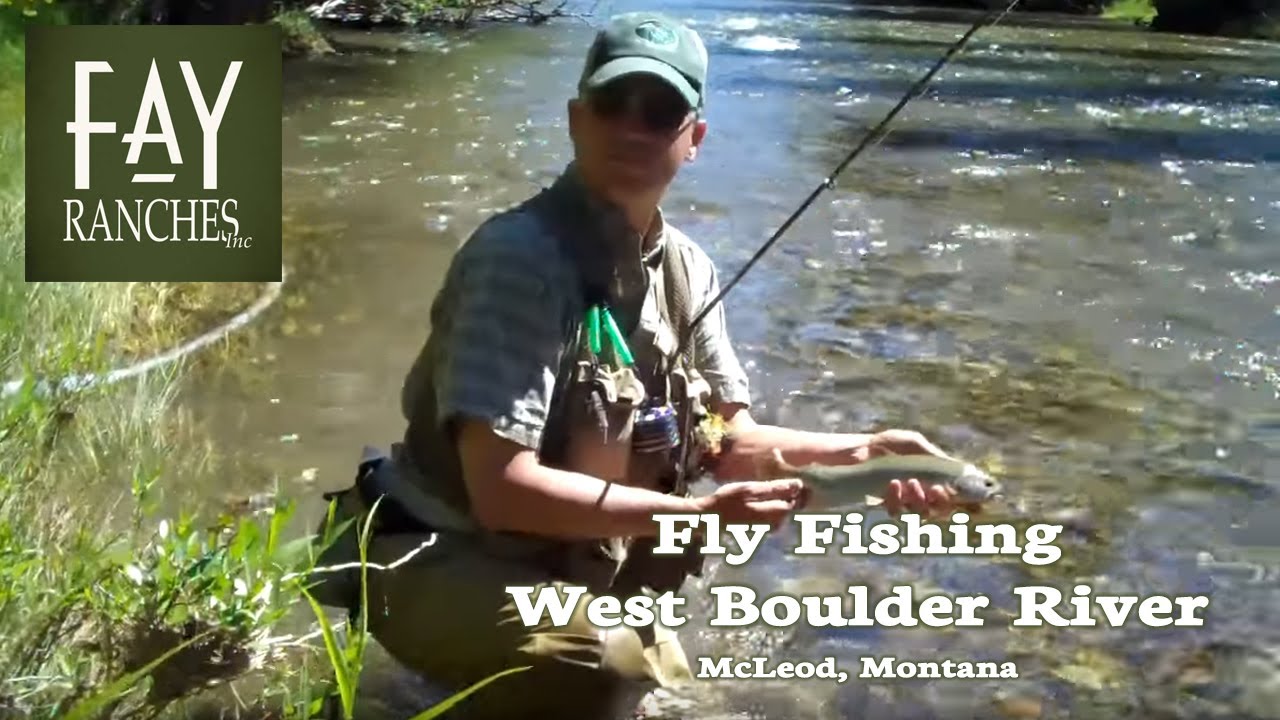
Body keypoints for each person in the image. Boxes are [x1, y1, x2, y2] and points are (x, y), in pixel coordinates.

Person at [311, 11, 960, 720]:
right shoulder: (518, 259)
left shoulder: (688, 269)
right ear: (575, 119)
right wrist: (695, 517)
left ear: (694, 139)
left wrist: (863, 453)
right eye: (613, 103)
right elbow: (502, 492)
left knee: (665, 682)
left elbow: (730, 442)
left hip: (559, 558)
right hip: (435, 552)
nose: (632, 126)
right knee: (606, 661)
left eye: (660, 111)